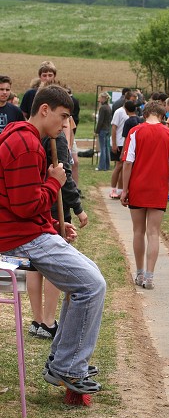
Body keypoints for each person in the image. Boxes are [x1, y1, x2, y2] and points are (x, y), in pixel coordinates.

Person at [0, 85, 105, 394]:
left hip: (28, 232)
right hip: (20, 239)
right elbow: (24, 206)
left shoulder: (23, 137)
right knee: (92, 285)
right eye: (63, 117)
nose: (65, 125)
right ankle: (68, 367)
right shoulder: (26, 144)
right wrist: (53, 182)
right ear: (44, 110)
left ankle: (65, 361)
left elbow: (21, 203)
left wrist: (55, 226)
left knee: (88, 279)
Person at [28, 130, 89, 339]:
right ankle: (47, 321)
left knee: (34, 264)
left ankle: (37, 320)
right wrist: (78, 208)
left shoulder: (35, 133)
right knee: (53, 264)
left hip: (37, 200)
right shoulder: (56, 138)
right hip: (52, 202)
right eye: (64, 116)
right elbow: (65, 176)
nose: (66, 122)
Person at [120, 101, 169, 290]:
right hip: (158, 189)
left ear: (144, 114)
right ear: (163, 116)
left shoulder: (136, 132)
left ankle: (138, 273)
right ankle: (149, 276)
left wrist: (124, 189)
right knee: (153, 232)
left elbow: (128, 162)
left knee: (138, 231)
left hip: (138, 186)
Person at [95, 91, 112, 171]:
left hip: (102, 129)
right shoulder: (109, 107)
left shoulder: (102, 108)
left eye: (100, 98)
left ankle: (102, 166)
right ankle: (107, 165)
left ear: (103, 98)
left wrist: (96, 131)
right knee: (106, 148)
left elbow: (100, 121)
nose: (99, 99)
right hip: (108, 129)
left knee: (103, 148)